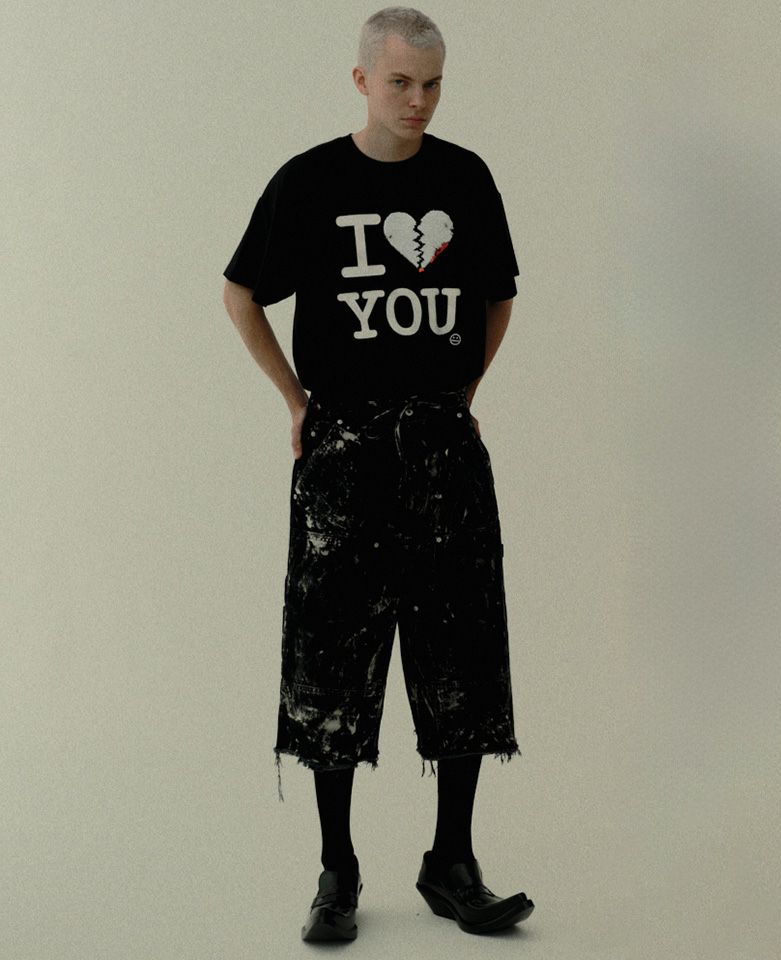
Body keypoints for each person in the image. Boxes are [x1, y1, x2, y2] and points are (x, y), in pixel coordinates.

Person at [222, 5, 534, 942]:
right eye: (400, 82)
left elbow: (498, 297)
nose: (419, 101)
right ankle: (337, 869)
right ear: (362, 80)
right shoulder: (311, 182)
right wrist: (294, 400)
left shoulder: (465, 179)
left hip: (443, 451)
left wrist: (462, 393)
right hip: (344, 451)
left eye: (432, 84)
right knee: (331, 664)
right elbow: (241, 291)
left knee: (462, 655)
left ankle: (453, 863)